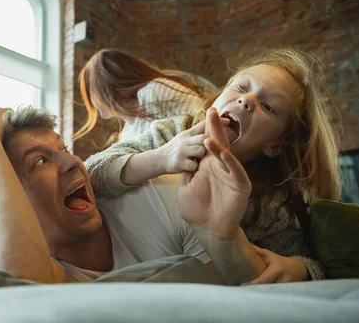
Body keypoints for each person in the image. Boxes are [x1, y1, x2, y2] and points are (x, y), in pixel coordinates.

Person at [85, 48, 341, 283]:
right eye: (240, 87)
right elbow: (92, 174)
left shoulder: (272, 201)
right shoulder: (173, 131)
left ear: (274, 145)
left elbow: (308, 264)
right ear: (217, 99)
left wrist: (301, 269)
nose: (245, 101)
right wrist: (161, 157)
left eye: (267, 106)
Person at [0, 106, 269, 285]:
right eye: (40, 162)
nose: (73, 162)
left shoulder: (158, 198)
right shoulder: (42, 269)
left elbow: (248, 293)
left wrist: (222, 237)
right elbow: (14, 288)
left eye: (63, 149)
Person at [73, 49, 217, 144]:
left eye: (92, 92)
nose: (91, 101)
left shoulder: (152, 92)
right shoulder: (127, 132)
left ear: (106, 88)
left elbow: (204, 122)